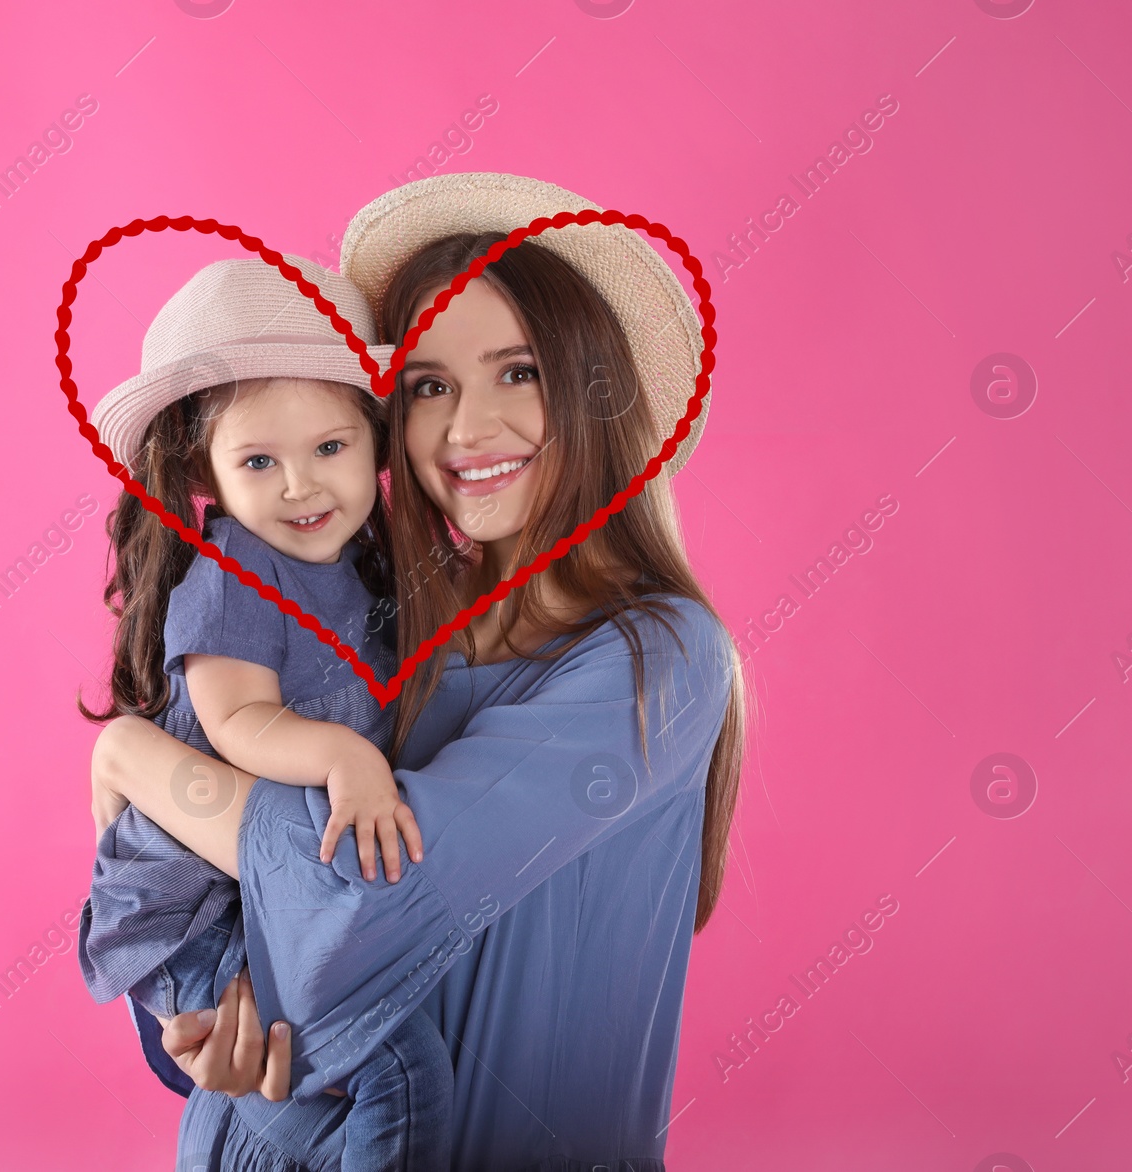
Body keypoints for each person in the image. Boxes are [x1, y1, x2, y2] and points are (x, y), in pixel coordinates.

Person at [86, 173, 746, 1171]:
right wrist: (218, 1008)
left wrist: (133, 762)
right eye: (430, 385)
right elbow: (264, 946)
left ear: (592, 386)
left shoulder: (654, 654)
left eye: (516, 370)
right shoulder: (393, 629)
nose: (465, 427)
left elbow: (362, 894)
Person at [77, 256, 454, 1169]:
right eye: (259, 461)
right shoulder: (235, 578)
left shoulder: (364, 573)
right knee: (386, 1065)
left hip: (273, 895)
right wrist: (345, 760)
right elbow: (241, 721)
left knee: (357, 1075)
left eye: (329, 448)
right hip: (197, 913)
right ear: (203, 471)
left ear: (374, 441)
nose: (299, 487)